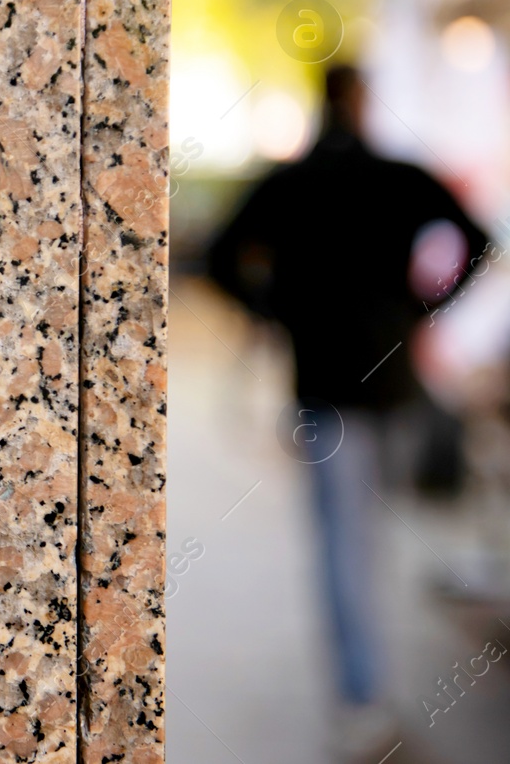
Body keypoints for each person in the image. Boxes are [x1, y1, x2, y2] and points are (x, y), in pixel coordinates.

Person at [206, 63, 489, 761]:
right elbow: (477, 241)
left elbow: (217, 259)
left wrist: (274, 316)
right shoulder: (399, 176)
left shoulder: (290, 181)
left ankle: (362, 700)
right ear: (363, 101)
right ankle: (368, 691)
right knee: (369, 539)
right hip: (393, 387)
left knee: (344, 544)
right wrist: (423, 311)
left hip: (326, 388)